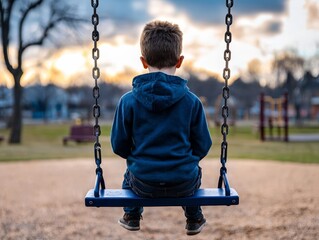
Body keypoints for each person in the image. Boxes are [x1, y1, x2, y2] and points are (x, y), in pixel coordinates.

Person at [111, 20, 212, 236]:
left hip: (142, 183)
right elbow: (203, 144)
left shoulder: (127, 101)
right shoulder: (192, 102)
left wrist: (139, 158)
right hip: (183, 182)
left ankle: (131, 214)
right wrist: (184, 161)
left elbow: (118, 145)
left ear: (143, 61)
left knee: (130, 173)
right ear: (180, 60)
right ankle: (194, 217)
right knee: (193, 170)